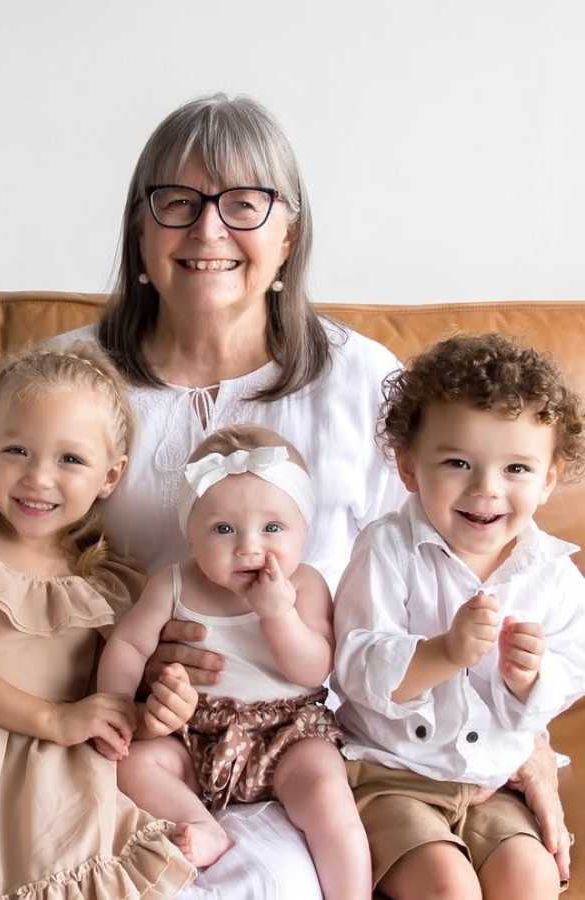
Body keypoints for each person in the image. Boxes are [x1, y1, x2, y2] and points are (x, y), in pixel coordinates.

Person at [51, 92, 572, 895]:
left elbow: (454, 563)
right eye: (177, 202)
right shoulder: (67, 381)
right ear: (139, 230)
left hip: (303, 731)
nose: (208, 230)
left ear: (289, 234)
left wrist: (521, 735)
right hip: (136, 733)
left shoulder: (368, 385)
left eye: (245, 204)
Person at [0, 344, 196, 899]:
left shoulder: (117, 583)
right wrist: (54, 720)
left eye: (70, 460)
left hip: (66, 762)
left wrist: (161, 711)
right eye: (16, 450)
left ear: (110, 476)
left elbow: (114, 705)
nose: (38, 478)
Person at [333, 333, 585, 899]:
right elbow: (356, 664)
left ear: (549, 478)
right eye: (457, 463)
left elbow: (574, 664)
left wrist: (531, 678)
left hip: (494, 781)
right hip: (392, 777)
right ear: (408, 467)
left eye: (517, 468)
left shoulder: (553, 573)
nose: (486, 490)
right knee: (448, 888)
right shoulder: (387, 550)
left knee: (532, 879)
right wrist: (440, 654)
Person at [99, 425, 370, 897]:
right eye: (223, 529)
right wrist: (119, 704)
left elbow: (313, 669)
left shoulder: (303, 585)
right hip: (193, 731)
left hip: (286, 732)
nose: (249, 546)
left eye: (272, 528)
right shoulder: (172, 583)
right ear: (191, 534)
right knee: (134, 764)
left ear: (304, 530)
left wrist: (278, 614)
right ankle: (201, 825)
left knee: (328, 793)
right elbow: (129, 646)